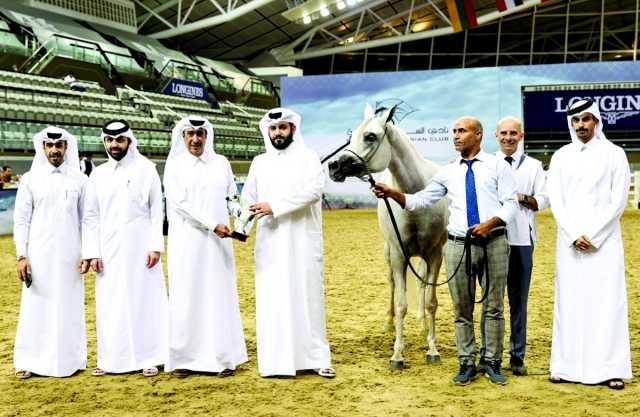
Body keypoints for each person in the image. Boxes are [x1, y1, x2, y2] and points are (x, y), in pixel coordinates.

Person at [372, 116, 518, 386]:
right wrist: (391, 193)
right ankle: (466, 362)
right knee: (461, 309)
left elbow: (511, 205)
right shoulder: (447, 171)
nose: (456, 136)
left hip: (494, 241)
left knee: (494, 307)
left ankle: (493, 363)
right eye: (453, 131)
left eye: (462, 131)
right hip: (458, 245)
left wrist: (489, 224)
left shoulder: (498, 166)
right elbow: (420, 200)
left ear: (478, 135)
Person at [241, 108, 335, 379]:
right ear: (267, 132)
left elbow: (314, 190)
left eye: (282, 127)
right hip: (269, 241)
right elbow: (248, 199)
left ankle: (318, 358)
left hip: (302, 241)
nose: (277, 133)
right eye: (273, 129)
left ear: (293, 129)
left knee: (308, 297)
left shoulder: (308, 158)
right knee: (273, 300)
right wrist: (241, 227)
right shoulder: (259, 162)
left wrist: (276, 206)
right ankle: (275, 362)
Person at [547, 99, 632, 390]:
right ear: (570, 124)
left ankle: (610, 369)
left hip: (605, 244)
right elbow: (556, 201)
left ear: (596, 120)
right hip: (569, 243)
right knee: (569, 303)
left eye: (586, 119)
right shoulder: (560, 156)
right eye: (576, 121)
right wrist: (573, 234)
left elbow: (617, 202)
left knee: (607, 304)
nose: (581, 125)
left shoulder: (615, 154)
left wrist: (593, 236)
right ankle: (565, 366)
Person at [163, 115, 247, 378]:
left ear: (207, 136)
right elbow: (180, 204)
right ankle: (185, 359)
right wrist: (213, 224)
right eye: (190, 134)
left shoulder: (221, 163)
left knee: (217, 294)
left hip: (218, 244)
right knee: (187, 296)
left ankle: (222, 358)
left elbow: (232, 197)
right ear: (183, 137)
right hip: (187, 243)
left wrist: (242, 214)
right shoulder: (175, 166)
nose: (196, 139)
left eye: (200, 134)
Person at [84, 120, 169, 377]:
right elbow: (90, 216)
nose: (114, 145)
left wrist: (156, 246)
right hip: (108, 248)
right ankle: (110, 360)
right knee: (110, 302)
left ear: (129, 141)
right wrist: (92, 251)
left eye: (119, 140)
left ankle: (152, 356)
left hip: (142, 248)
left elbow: (157, 210)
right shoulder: (97, 174)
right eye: (109, 140)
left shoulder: (146, 169)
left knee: (145, 300)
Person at [12, 127, 94, 378]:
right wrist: (21, 255)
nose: (55, 150)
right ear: (43, 147)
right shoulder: (30, 179)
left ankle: (69, 361)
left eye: (59, 146)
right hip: (38, 256)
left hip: (70, 256)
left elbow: (89, 219)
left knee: (68, 308)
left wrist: (88, 252)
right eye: (50, 145)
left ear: (66, 148)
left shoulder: (80, 180)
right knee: (35, 308)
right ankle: (29, 361)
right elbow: (21, 220)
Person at [478, 117, 548, 376]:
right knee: (490, 301)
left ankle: (517, 356)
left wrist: (519, 197)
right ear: (496, 136)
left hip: (521, 242)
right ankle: (488, 355)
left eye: (513, 133)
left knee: (519, 302)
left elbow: (543, 201)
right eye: (503, 133)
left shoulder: (534, 166)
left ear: (521, 136)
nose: (508, 137)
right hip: (493, 239)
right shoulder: (486, 164)